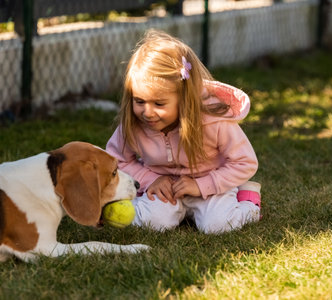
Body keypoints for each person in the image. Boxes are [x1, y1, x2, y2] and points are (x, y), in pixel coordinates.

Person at [106, 29, 261, 234]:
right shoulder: (133, 124)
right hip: (165, 189)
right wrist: (150, 179)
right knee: (153, 223)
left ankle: (249, 201)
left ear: (185, 99)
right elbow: (114, 160)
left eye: (159, 103)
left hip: (211, 185)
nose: (147, 112)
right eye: (139, 101)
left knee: (218, 226)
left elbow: (245, 162)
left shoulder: (213, 121)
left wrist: (202, 185)